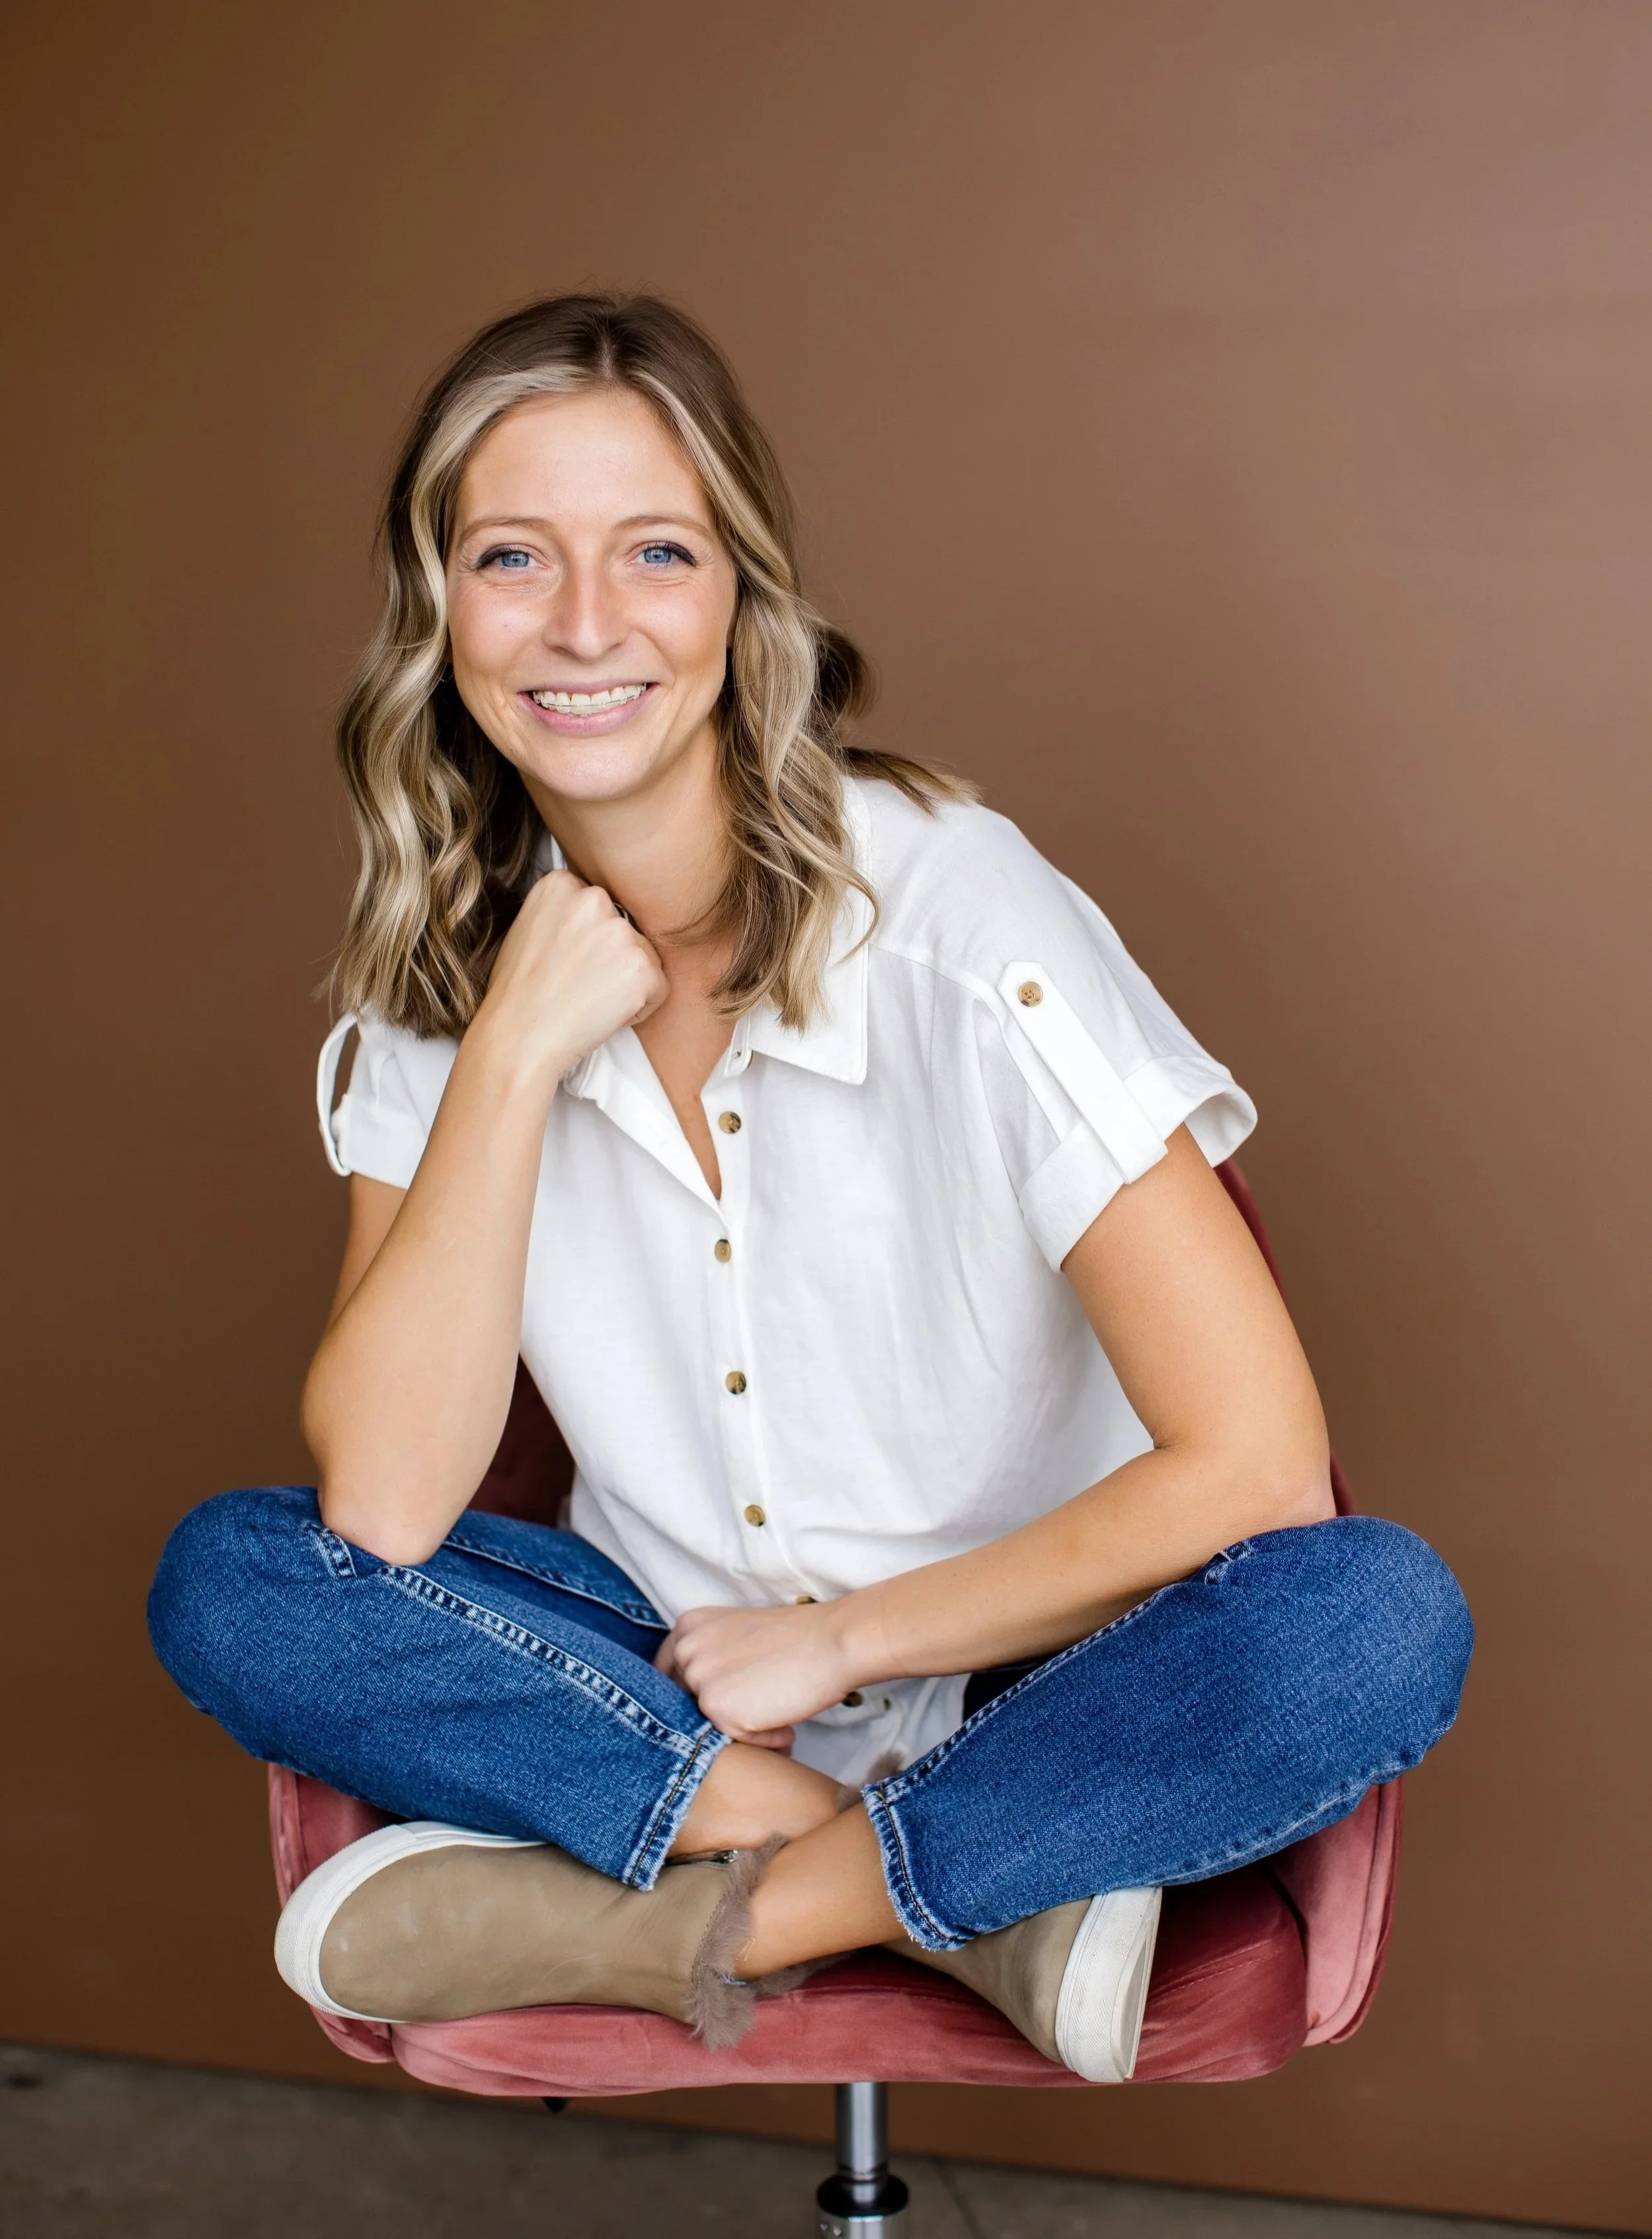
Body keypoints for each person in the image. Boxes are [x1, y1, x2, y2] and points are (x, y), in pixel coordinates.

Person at [148, 294, 1472, 2083]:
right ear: (437, 608)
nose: (587, 624)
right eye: (514, 557)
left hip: (1059, 1679)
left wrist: (839, 1642)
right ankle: (983, 1879)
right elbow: (381, 1507)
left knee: (1371, 1622)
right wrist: (513, 1055)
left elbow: (1257, 1467)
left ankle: (728, 1916)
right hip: (659, 1686)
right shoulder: (443, 978)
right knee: (235, 1580)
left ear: (743, 598)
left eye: (658, 553)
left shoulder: (955, 916)